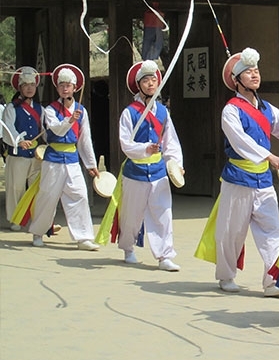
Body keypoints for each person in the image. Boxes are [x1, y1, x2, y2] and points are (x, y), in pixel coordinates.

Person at [195, 47, 279, 297]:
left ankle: (273, 280)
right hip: (238, 179)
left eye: (256, 71)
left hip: (263, 179)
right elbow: (240, 141)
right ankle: (226, 275)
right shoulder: (230, 110)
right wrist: (270, 156)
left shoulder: (268, 109)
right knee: (232, 231)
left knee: (272, 230)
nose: (255, 75)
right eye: (248, 72)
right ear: (236, 80)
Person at [109, 60, 183, 271]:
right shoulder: (129, 112)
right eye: (146, 80)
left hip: (158, 170)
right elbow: (125, 143)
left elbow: (171, 142)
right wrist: (144, 150)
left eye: (154, 80)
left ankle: (164, 255)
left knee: (163, 214)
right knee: (132, 213)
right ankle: (128, 247)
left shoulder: (163, 112)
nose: (151, 84)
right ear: (138, 84)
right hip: (136, 171)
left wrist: (176, 164)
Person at [22, 64, 100, 250]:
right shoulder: (50, 109)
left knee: (79, 195)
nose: (65, 88)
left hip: (72, 159)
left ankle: (83, 237)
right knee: (47, 196)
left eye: (68, 85)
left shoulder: (81, 111)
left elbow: (85, 139)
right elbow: (55, 129)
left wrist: (91, 163)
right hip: (53, 159)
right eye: (61, 85)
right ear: (57, 88)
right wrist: (70, 119)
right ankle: (38, 231)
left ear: (75, 87)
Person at [2, 67, 44, 231]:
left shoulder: (41, 109)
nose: (29, 88)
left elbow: (46, 130)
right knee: (16, 187)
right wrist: (18, 141)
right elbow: (8, 129)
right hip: (18, 154)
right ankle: (15, 218)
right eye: (25, 84)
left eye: (32, 84)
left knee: (35, 187)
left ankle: (35, 216)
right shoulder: (11, 108)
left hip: (35, 155)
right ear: (19, 87)